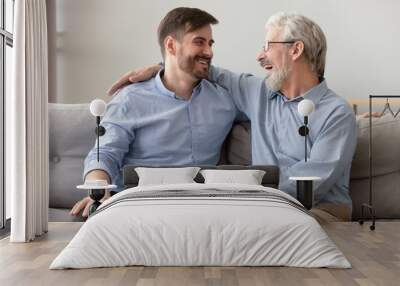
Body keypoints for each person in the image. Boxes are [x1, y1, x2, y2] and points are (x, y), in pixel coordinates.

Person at [109, 12, 358, 223]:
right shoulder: (257, 93)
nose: (260, 56)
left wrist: (250, 199)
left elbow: (312, 184)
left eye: (268, 46)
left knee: (283, 225)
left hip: (320, 209)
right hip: (264, 208)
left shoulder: (336, 113)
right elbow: (197, 67)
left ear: (296, 49)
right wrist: (160, 66)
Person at [70, 7, 241, 218]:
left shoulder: (225, 101)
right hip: (138, 208)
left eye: (210, 43)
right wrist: (98, 192)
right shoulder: (131, 99)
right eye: (199, 42)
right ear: (171, 45)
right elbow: (104, 153)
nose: (209, 52)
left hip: (200, 208)